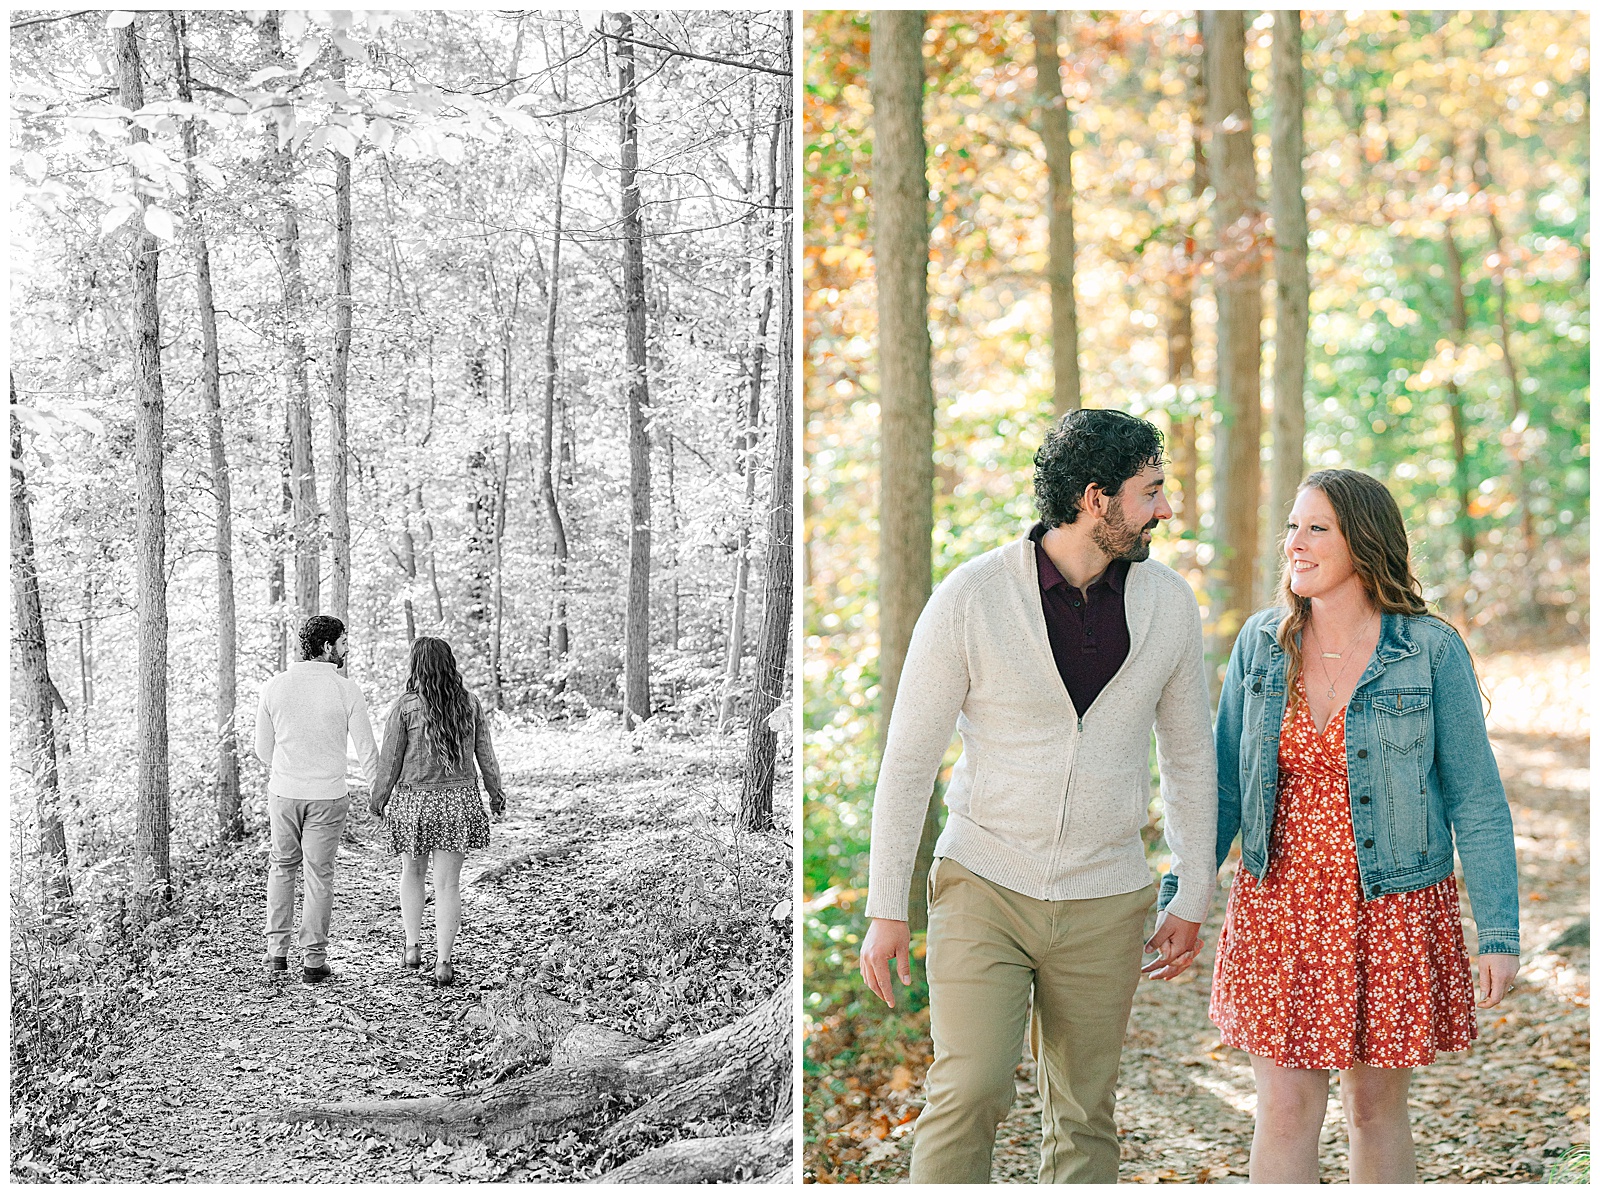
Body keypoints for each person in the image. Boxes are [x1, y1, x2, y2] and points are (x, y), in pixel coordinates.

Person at [858, 408, 1219, 1183]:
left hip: (1107, 896)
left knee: (1085, 1112)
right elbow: (909, 759)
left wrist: (1193, 892)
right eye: (1151, 490)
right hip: (985, 883)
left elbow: (1190, 757)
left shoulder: (1169, 605)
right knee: (971, 1087)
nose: (1165, 507)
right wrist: (886, 906)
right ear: (1096, 498)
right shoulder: (973, 596)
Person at [1192, 468, 1520, 1183]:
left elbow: (1477, 797)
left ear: (1362, 542)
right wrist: (1182, 898)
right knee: (1283, 1110)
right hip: (1278, 906)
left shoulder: (1428, 649)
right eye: (1292, 526)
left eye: (1317, 528)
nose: (1295, 544)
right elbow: (1221, 786)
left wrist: (1498, 934)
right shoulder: (1260, 644)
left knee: (1373, 1109)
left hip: (1392, 906)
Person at [369, 636, 506, 987]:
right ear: (450, 664)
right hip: (458, 801)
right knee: (448, 884)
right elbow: (485, 755)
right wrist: (495, 793)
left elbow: (391, 760)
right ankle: (443, 962)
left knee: (411, 874)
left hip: (414, 802)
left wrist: (378, 800)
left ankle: (412, 948)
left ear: (416, 666)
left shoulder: (404, 707)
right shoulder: (470, 704)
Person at [254, 614, 379, 983]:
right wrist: (379, 795)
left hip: (285, 793)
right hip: (328, 796)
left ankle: (276, 954)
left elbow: (263, 750)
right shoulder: (345, 689)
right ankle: (313, 961)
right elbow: (367, 750)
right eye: (343, 643)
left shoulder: (274, 687)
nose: (346, 649)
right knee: (319, 876)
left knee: (282, 867)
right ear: (327, 647)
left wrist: (292, 764)